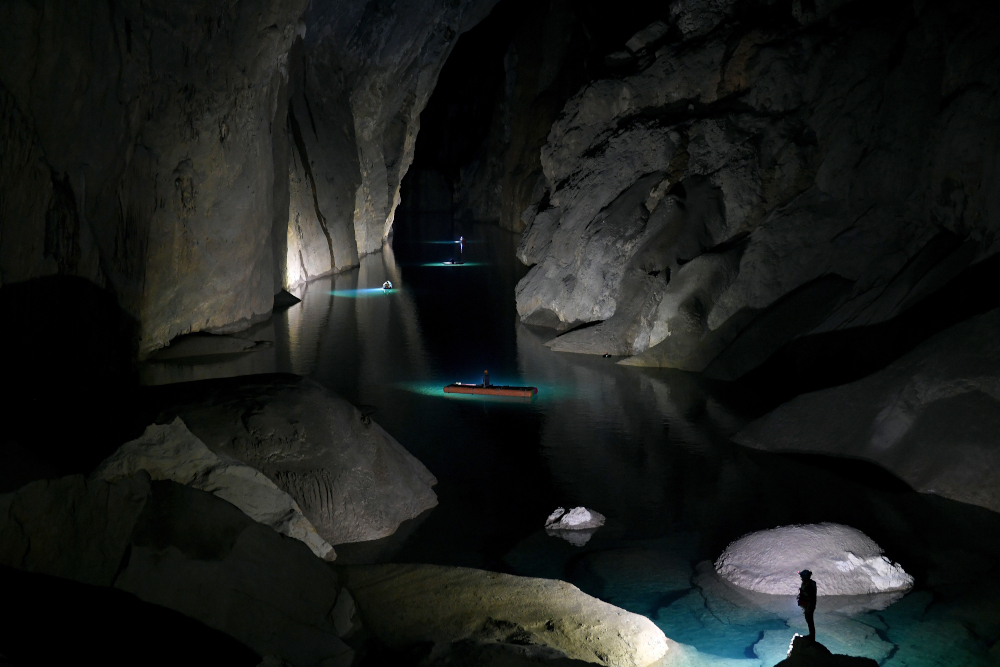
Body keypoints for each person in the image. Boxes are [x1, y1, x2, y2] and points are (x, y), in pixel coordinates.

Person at [797, 570, 817, 640]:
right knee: (809, 620)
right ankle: (811, 636)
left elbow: (811, 597)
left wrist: (809, 607)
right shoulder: (808, 583)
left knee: (810, 621)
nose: (801, 578)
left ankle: (812, 637)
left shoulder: (809, 585)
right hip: (808, 605)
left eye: (802, 576)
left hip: (809, 606)